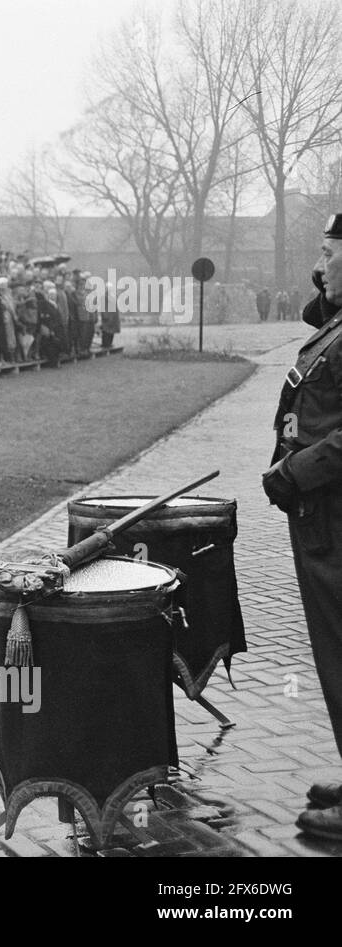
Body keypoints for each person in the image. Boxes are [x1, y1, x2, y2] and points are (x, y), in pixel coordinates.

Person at [262, 213, 342, 842]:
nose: (319, 263)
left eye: (328, 251)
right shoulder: (335, 324)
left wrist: (298, 472)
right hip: (322, 516)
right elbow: (315, 315)